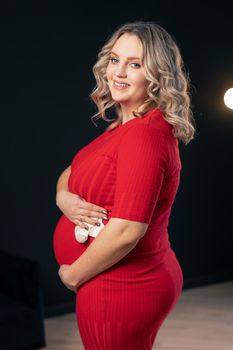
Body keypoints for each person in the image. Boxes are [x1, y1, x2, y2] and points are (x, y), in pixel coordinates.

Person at [53, 20, 196, 350]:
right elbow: (71, 171)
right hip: (118, 281)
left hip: (122, 287)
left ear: (158, 74)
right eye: (115, 60)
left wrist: (73, 275)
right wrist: (64, 197)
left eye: (134, 65)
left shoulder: (144, 136)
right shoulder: (125, 123)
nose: (118, 72)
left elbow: (129, 229)